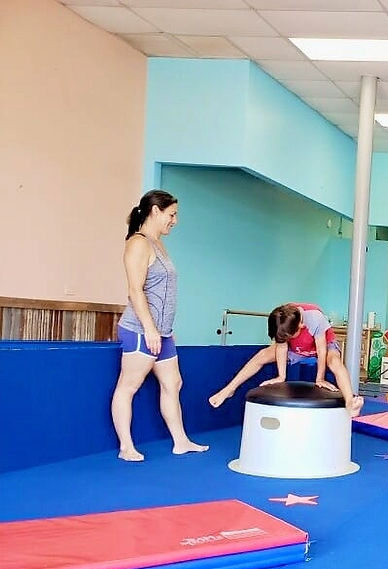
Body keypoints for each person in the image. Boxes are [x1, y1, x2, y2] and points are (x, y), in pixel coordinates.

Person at [110, 189, 209, 462]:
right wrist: (151, 329)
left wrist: (165, 329)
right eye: (172, 214)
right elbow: (135, 290)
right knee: (128, 386)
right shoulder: (138, 243)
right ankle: (126, 447)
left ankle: (181, 441)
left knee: (173, 383)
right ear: (155, 211)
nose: (175, 221)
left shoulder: (157, 243)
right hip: (141, 330)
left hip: (162, 333)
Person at [208, 303, 364, 417]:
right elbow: (282, 347)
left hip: (322, 345)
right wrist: (281, 376)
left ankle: (350, 402)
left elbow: (321, 349)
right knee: (262, 355)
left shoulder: (314, 317)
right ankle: (229, 389)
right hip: (296, 348)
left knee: (335, 362)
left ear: (301, 325)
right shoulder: (282, 319)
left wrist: (320, 378)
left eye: (289, 336)